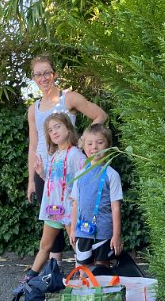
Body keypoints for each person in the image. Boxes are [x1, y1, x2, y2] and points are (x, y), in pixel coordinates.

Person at [27, 54, 107, 263]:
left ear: (54, 74)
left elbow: (100, 115)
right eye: (38, 74)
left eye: (46, 73)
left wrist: (83, 140)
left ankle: (84, 264)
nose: (43, 78)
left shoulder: (69, 98)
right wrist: (31, 180)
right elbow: (33, 145)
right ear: (34, 78)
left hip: (70, 172)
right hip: (45, 173)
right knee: (52, 219)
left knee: (75, 220)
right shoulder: (33, 109)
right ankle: (54, 268)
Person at [21, 113, 86, 283]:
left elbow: (84, 182)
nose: (54, 132)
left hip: (69, 209)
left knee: (76, 245)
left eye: (58, 127)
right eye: (50, 130)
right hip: (54, 209)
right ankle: (30, 277)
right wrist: (42, 173)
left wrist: (76, 204)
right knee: (45, 245)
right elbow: (54, 183)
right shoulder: (55, 154)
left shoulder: (76, 155)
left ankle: (84, 278)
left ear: (68, 128)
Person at [70, 124, 123, 269]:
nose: (94, 147)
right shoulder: (79, 174)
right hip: (82, 231)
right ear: (83, 146)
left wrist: (116, 235)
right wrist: (73, 230)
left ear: (109, 146)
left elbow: (116, 207)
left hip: (104, 232)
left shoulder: (112, 175)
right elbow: (75, 204)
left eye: (99, 142)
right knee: (83, 270)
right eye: (89, 143)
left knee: (102, 270)